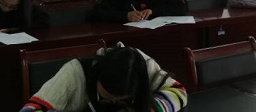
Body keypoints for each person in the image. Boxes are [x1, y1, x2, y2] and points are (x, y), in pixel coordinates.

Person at [20, 44, 187, 112]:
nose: (113, 103)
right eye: (106, 96)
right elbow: (31, 109)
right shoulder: (76, 72)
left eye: (122, 100)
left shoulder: (140, 66)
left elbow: (179, 92)